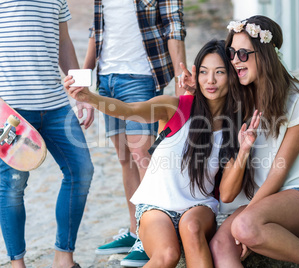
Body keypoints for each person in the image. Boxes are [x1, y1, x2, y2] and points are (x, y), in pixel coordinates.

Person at [66, 39, 259, 268]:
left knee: (192, 227)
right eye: (204, 72)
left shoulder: (234, 128)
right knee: (167, 255)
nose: (211, 80)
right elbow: (129, 110)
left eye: (219, 72)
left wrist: (244, 150)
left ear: (231, 77)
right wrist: (90, 98)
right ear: (196, 76)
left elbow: (226, 194)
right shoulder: (176, 107)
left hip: (199, 208)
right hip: (155, 208)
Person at [179, 15, 299, 268]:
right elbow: (209, 108)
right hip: (261, 202)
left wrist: (247, 221)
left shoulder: (297, 102)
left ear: (264, 54)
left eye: (243, 54)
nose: (235, 60)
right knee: (220, 245)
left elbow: (279, 173)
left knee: (243, 226)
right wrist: (196, 92)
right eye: (232, 53)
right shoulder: (239, 100)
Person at [81, 0, 187, 265]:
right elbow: (98, 28)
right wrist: (85, 79)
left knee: (143, 157)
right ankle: (135, 230)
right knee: (125, 158)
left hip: (141, 76)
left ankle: (153, 237)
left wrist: (181, 77)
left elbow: (174, 24)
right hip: (107, 78)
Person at [0, 1, 94, 268]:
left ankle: (64, 258)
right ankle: (17, 263)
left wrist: (83, 93)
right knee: (12, 186)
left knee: (81, 171)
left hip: (56, 105)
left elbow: (64, 42)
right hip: (11, 112)